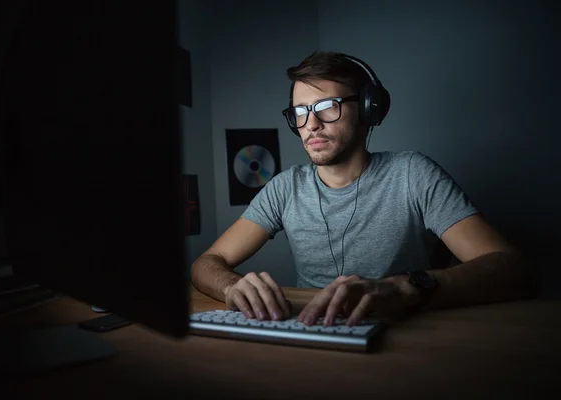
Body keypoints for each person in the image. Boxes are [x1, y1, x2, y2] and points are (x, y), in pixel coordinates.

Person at [190, 50, 538, 327]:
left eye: (327, 107)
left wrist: (407, 287)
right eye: (300, 112)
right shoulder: (285, 188)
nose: (310, 125)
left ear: (370, 109)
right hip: (313, 333)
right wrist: (232, 286)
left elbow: (512, 269)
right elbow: (206, 263)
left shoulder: (413, 174)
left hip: (403, 336)